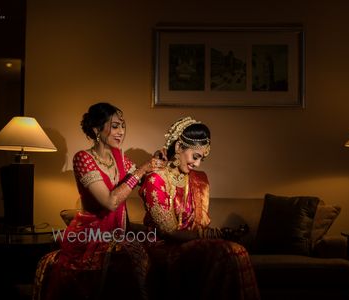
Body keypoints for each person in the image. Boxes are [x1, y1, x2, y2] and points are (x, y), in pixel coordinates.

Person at [33, 102, 165, 300]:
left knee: (154, 245)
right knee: (133, 252)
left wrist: (162, 162)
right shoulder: (83, 159)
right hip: (90, 235)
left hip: (118, 231)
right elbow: (110, 202)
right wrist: (142, 169)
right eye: (114, 126)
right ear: (96, 129)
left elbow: (146, 183)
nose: (121, 131)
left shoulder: (121, 159)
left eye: (122, 126)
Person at [139, 116, 260, 300]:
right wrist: (214, 235)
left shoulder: (198, 180)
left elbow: (199, 225)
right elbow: (169, 230)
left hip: (191, 243)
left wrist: (220, 234)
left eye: (201, 159)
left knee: (236, 250)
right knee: (229, 252)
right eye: (195, 157)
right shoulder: (156, 180)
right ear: (179, 147)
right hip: (164, 248)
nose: (197, 164)